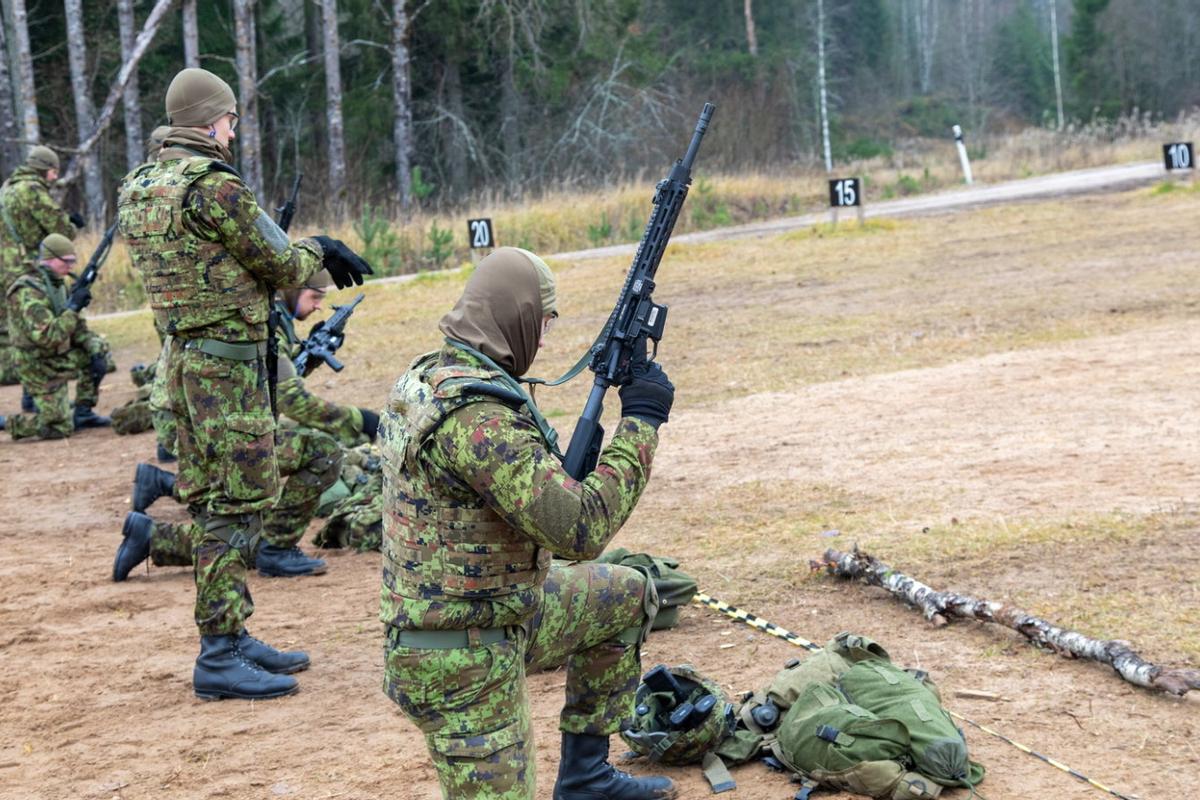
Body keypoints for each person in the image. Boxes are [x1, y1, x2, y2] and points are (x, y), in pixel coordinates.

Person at [379, 247, 677, 800]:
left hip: (497, 612)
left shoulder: (436, 375)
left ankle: (586, 778)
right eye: (540, 323)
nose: (542, 340)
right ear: (513, 318)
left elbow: (538, 494)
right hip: (461, 661)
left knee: (626, 595)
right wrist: (640, 423)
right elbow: (580, 532)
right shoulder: (479, 419)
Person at [116, 67, 370, 701]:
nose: (232, 131)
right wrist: (322, 248)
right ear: (210, 122)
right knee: (242, 497)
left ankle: (230, 636)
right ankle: (220, 651)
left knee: (214, 500)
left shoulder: (141, 187)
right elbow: (281, 262)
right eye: (229, 120)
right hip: (225, 370)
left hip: (181, 364)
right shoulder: (212, 186)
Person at [2, 234, 111, 440]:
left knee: (98, 352)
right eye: (67, 261)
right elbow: (49, 336)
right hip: (36, 365)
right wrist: (73, 308)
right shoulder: (28, 291)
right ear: (50, 259)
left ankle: (83, 412)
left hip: (56, 357)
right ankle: (8, 423)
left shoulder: (57, 284)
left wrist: (93, 344)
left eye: (73, 261)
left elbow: (77, 330)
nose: (71, 266)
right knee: (58, 428)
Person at [0, 145, 83, 388]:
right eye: (54, 172)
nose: (55, 177)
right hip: (24, 266)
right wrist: (72, 224)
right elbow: (61, 229)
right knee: (38, 328)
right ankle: (35, 384)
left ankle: (16, 377)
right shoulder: (32, 190)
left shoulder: (6, 189)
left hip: (4, 266)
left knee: (8, 328)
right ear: (45, 170)